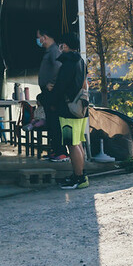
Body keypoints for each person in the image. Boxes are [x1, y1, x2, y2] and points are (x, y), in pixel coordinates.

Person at [51, 32, 90, 190]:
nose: (60, 47)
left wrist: (52, 98)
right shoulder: (81, 61)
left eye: (62, 44)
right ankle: (80, 175)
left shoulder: (68, 63)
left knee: (71, 144)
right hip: (80, 108)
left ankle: (79, 178)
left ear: (66, 45)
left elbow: (61, 86)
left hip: (68, 110)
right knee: (77, 142)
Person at [36, 27, 67, 162]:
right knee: (51, 122)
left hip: (52, 93)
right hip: (47, 92)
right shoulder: (50, 51)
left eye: (38, 37)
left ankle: (61, 152)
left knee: (55, 122)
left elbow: (58, 67)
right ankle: (55, 150)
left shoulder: (54, 50)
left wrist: (52, 83)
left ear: (45, 36)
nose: (38, 40)